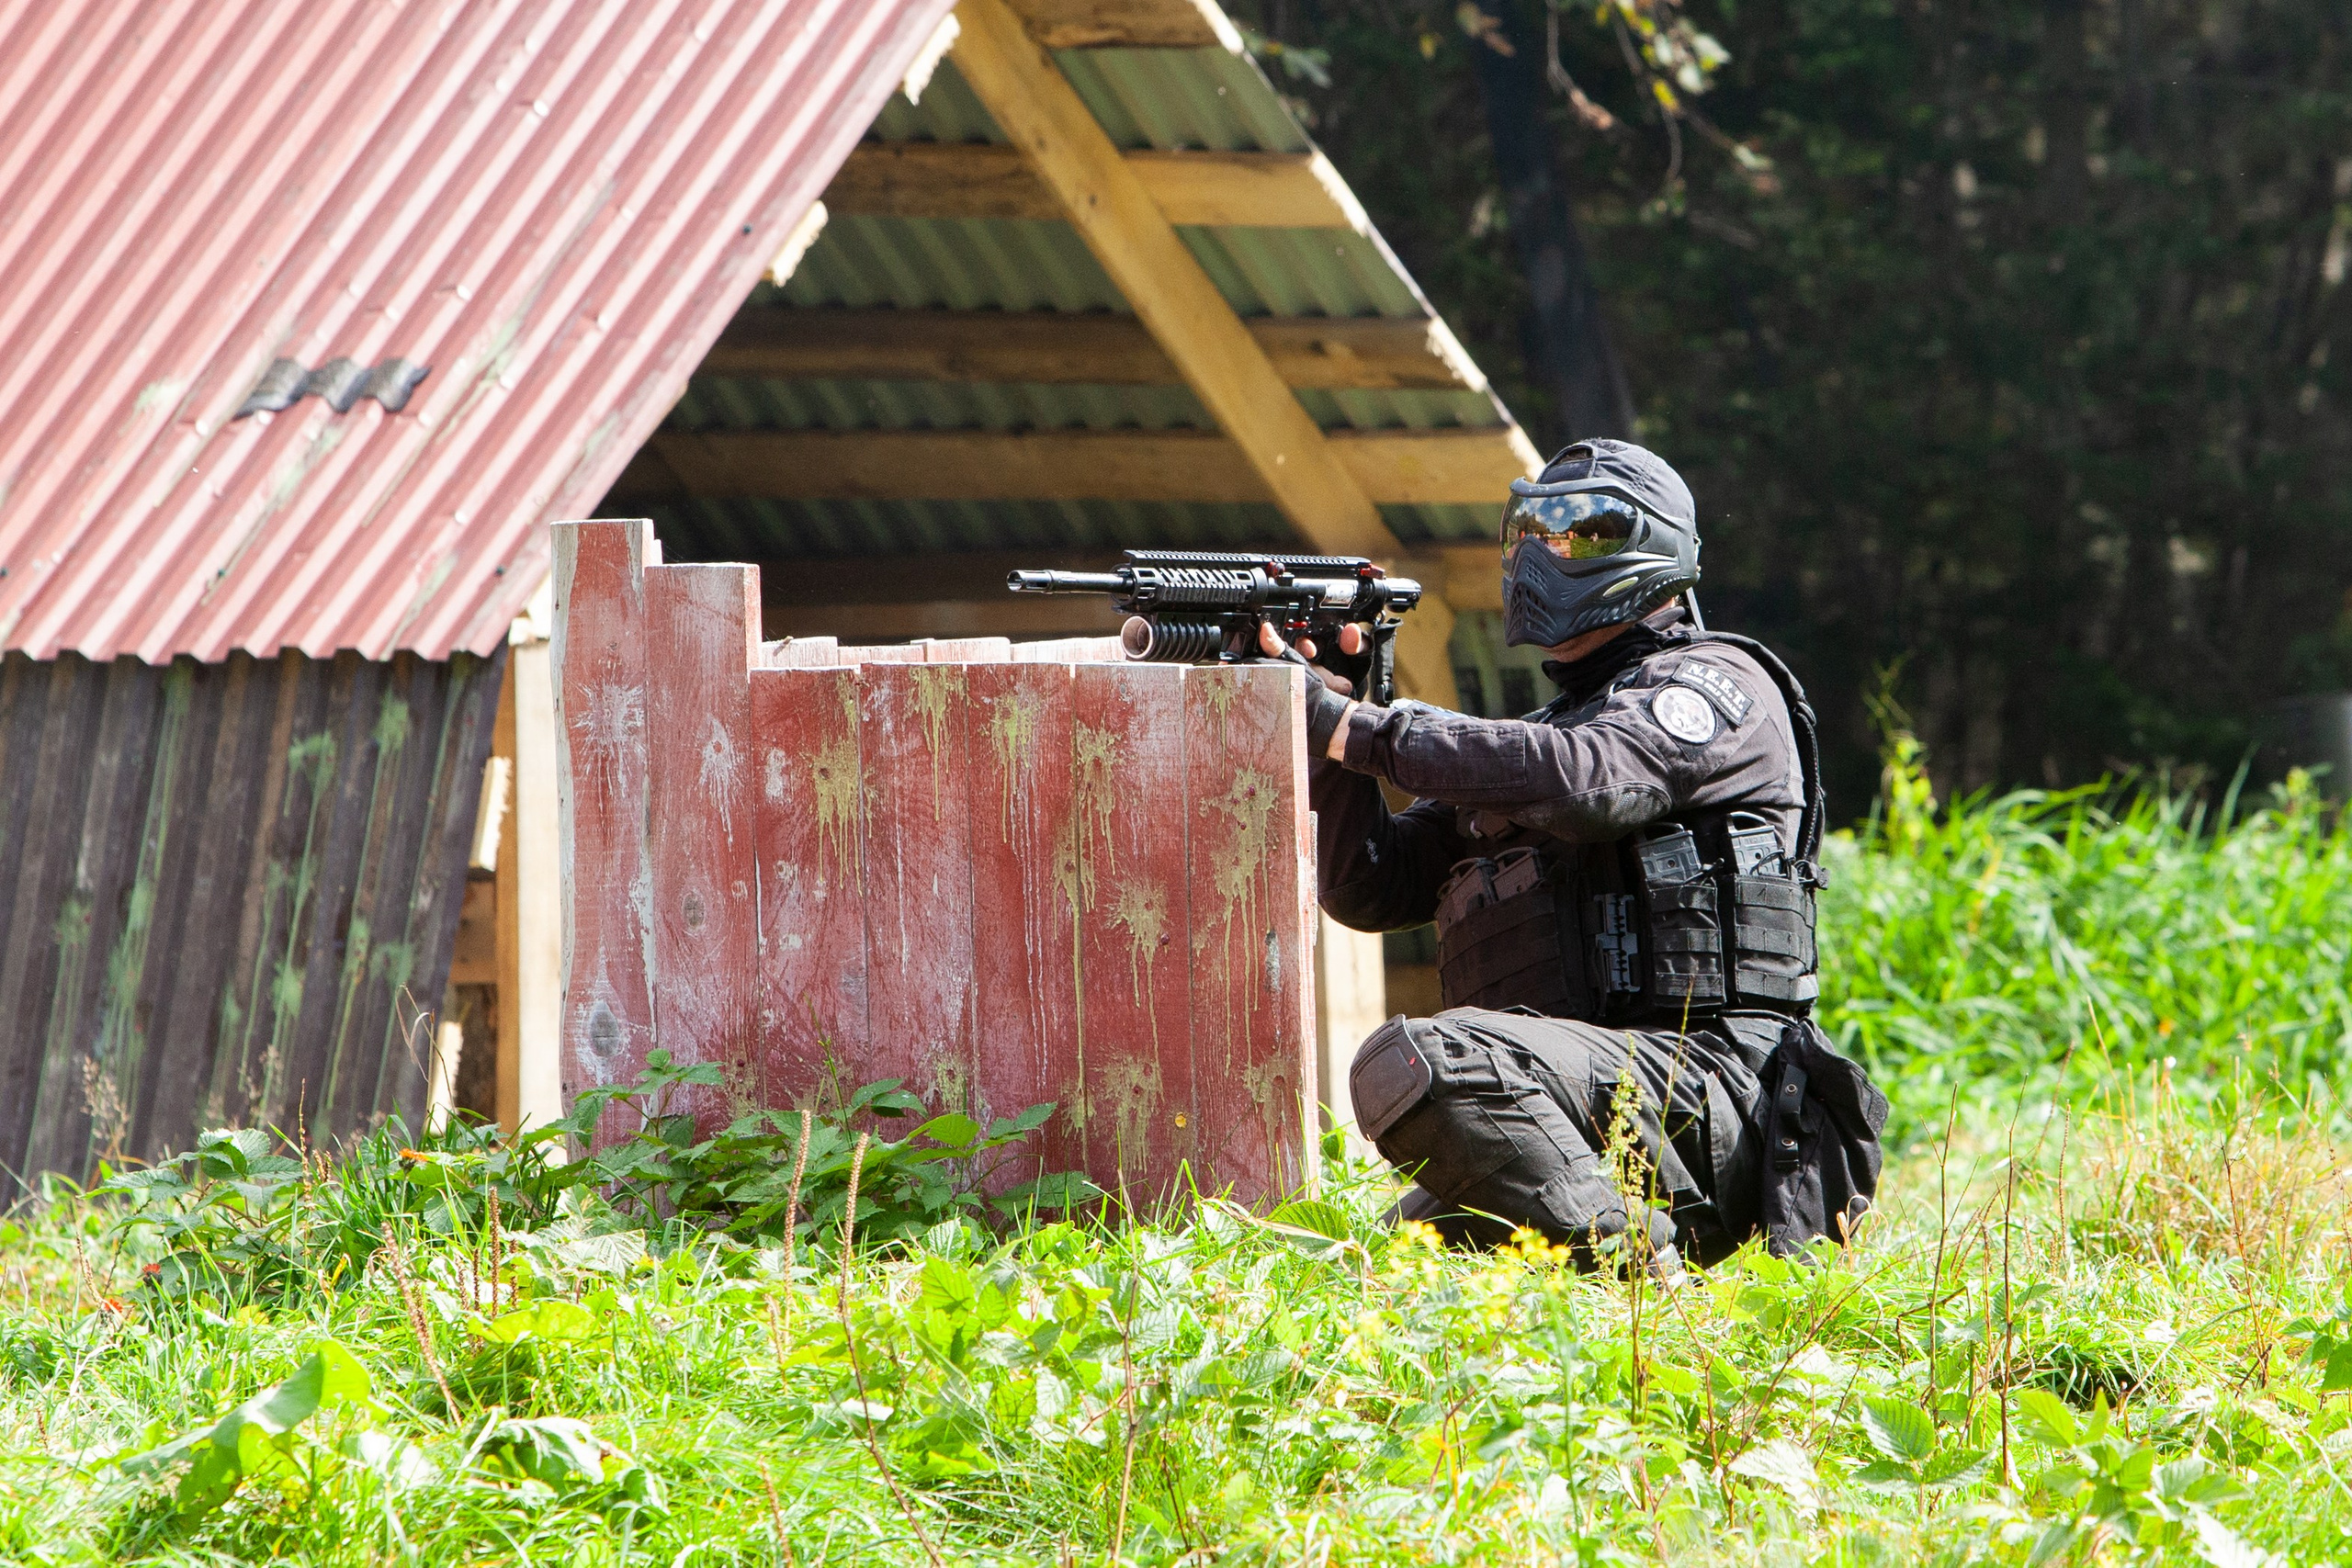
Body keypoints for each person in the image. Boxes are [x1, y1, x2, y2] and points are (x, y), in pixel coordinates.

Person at [1267, 439, 1887, 1276]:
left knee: (1416, 1063)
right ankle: (1628, 1262)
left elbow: (1592, 784)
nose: (1540, 554)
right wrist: (1337, 723)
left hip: (1719, 1099)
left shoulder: (1713, 687)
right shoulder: (1560, 734)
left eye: (1577, 533)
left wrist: (1360, 729)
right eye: (1527, 531)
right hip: (1590, 1110)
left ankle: (1650, 1290)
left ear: (1655, 547)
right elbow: (1372, 883)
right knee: (1370, 1267)